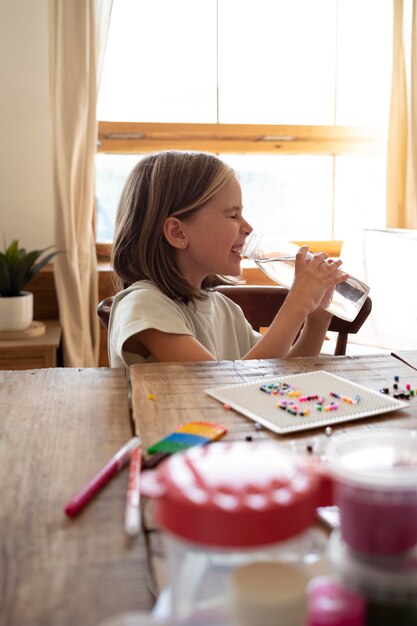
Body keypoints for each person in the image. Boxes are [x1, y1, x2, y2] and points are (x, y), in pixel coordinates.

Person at [109, 150, 348, 368]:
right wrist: (298, 303)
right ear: (177, 233)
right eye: (233, 215)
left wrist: (317, 319)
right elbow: (223, 385)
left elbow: (278, 372)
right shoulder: (143, 306)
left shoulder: (225, 309)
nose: (247, 227)